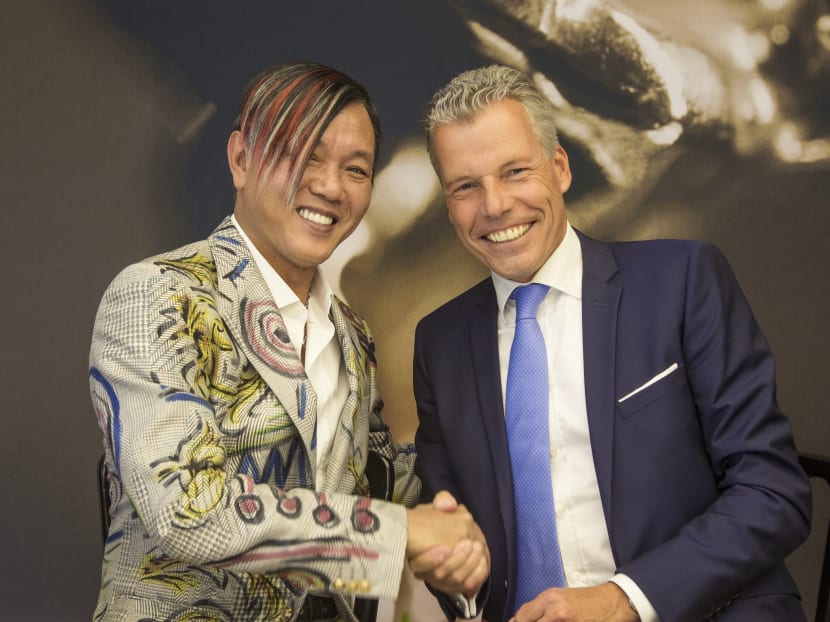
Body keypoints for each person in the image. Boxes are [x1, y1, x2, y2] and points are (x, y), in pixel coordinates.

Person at [89, 61, 488, 621]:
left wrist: (458, 528)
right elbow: (188, 512)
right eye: (304, 155)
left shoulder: (351, 333)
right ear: (241, 159)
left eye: (356, 169)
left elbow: (378, 485)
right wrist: (399, 534)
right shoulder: (155, 295)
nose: (328, 186)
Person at [413, 64, 812, 622]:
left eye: (515, 171)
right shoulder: (439, 343)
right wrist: (455, 574)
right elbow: (453, 545)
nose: (495, 205)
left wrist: (626, 599)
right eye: (465, 187)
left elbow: (773, 493)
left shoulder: (682, 280)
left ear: (560, 168)